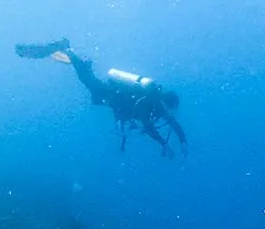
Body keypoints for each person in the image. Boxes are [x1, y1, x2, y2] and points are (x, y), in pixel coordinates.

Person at [16, 39, 188, 158]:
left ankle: (79, 61)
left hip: (113, 98)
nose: (169, 112)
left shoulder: (156, 104)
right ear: (167, 102)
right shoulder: (149, 103)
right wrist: (164, 144)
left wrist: (183, 141)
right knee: (87, 80)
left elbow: (174, 124)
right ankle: (68, 49)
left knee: (87, 78)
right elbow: (149, 126)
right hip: (110, 94)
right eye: (170, 108)